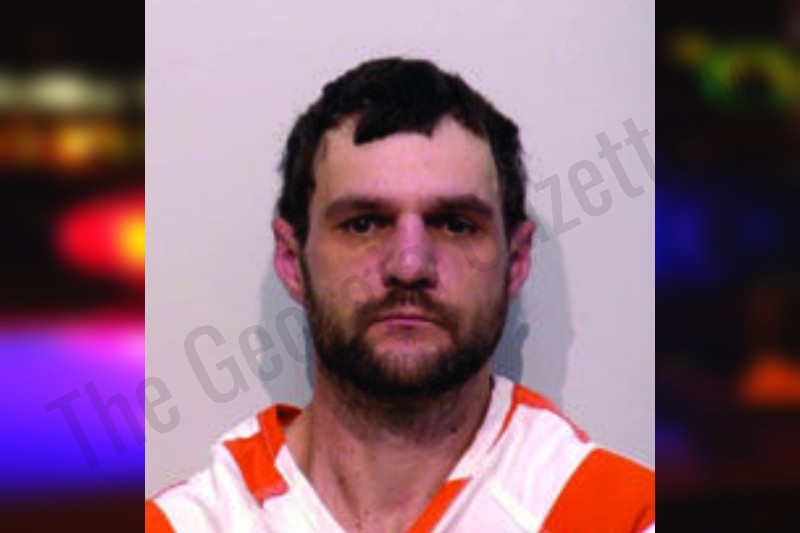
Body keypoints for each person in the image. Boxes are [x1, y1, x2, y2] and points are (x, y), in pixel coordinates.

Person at [145, 57, 654, 533]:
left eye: (455, 225)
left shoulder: (618, 515)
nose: (409, 267)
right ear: (291, 260)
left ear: (516, 261)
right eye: (363, 224)